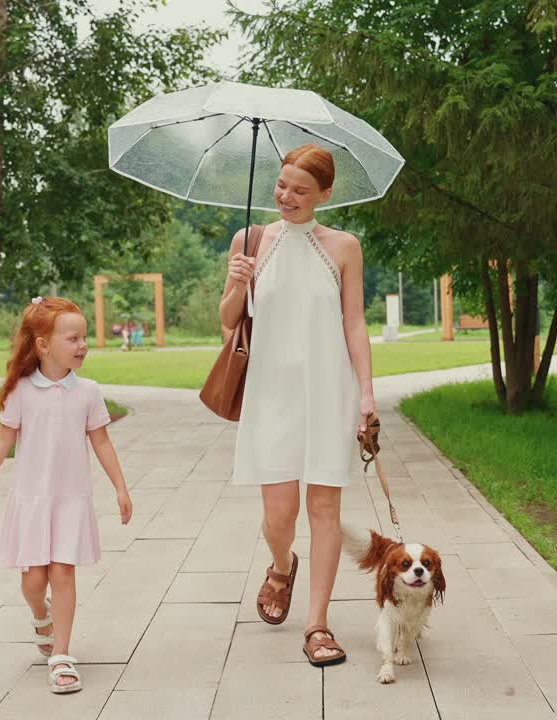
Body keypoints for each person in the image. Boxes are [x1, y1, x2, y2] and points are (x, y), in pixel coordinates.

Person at [220, 144, 375, 667]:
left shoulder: (345, 247)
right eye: (282, 185)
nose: (287, 196)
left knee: (325, 508)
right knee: (278, 513)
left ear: (325, 195)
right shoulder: (251, 239)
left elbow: (354, 324)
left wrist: (367, 395)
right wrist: (238, 282)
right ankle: (282, 564)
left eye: (301, 191)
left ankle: (318, 625)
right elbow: (227, 320)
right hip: (271, 393)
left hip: (330, 390)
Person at [0, 296, 133, 695]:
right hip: (32, 502)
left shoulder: (88, 392)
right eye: (73, 338)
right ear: (42, 344)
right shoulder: (21, 391)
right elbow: (3, 440)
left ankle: (61, 655)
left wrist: (121, 488)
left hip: (71, 499)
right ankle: (42, 617)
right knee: (34, 581)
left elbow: (102, 443)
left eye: (84, 337)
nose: (82, 345)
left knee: (63, 572)